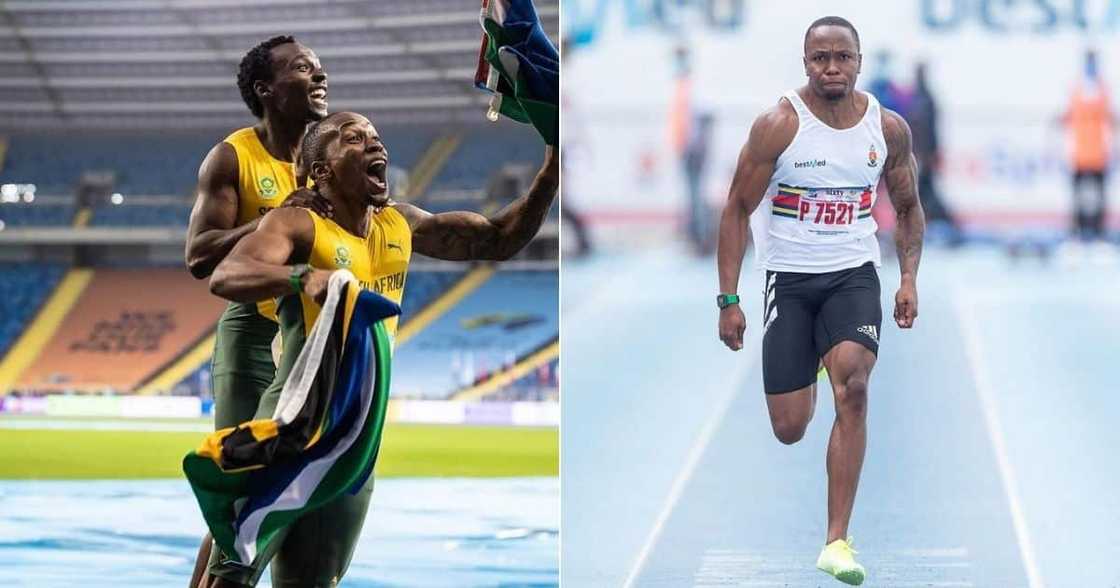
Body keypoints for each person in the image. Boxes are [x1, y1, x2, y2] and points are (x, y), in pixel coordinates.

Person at [204, 111, 558, 587]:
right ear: (322, 171)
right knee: (233, 574)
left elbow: (498, 239)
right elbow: (227, 275)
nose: (375, 145)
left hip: (357, 443)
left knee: (313, 581)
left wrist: (552, 170)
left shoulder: (401, 224)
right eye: (354, 138)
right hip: (290, 430)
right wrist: (303, 276)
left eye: (376, 137)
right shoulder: (297, 225)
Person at [715, 16, 924, 585]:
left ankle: (837, 542)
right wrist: (728, 298)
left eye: (842, 57)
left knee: (854, 386)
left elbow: (907, 208)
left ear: (859, 61)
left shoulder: (888, 129)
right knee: (790, 426)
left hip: (853, 274)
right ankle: (807, 359)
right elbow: (735, 208)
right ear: (806, 63)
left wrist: (907, 278)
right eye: (820, 58)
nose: (832, 68)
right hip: (790, 280)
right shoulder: (780, 125)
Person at [184, 35, 333, 588]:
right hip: (255, 330)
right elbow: (199, 256)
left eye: (320, 67)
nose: (319, 75)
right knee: (246, 483)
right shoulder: (233, 156)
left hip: (314, 337)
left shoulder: (328, 154)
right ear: (264, 89)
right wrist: (271, 220)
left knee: (292, 488)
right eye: (303, 69)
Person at [906, 62, 961, 245]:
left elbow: (930, 128)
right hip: (920, 153)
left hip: (924, 154)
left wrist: (930, 153)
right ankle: (935, 224)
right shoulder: (919, 98)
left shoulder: (925, 99)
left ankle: (945, 224)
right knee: (923, 190)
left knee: (924, 190)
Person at [1063, 49, 1115, 243]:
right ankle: (1077, 233)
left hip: (1098, 153)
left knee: (1099, 196)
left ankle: (1098, 233)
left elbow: (1110, 119)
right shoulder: (1076, 89)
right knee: (1078, 196)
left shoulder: (1102, 89)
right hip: (1079, 153)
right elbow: (1068, 116)